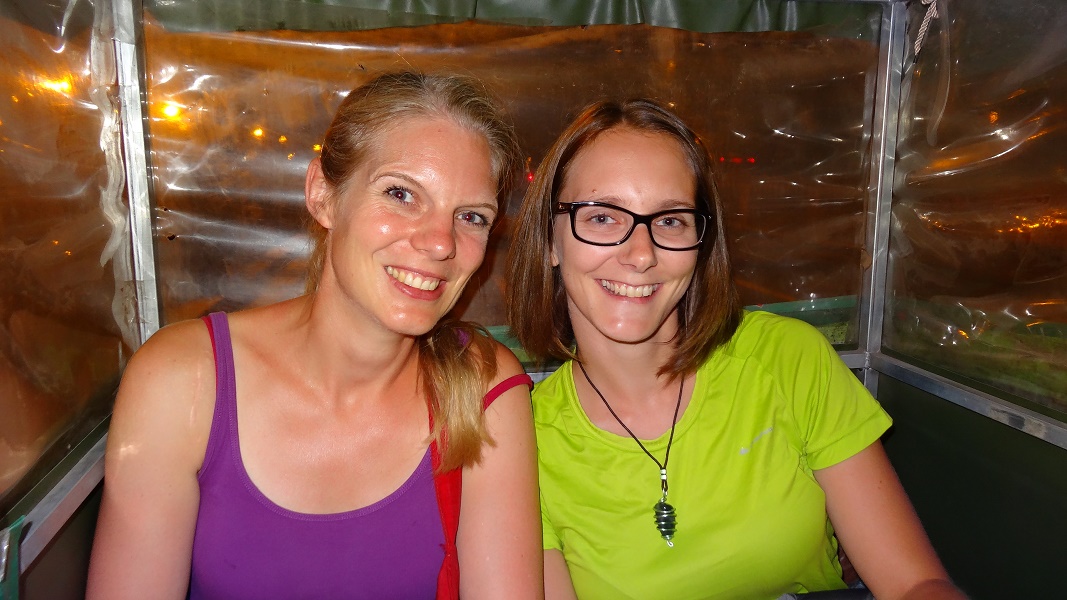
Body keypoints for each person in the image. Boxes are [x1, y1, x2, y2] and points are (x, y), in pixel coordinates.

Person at [87, 71, 542, 600]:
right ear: (323, 194)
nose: (441, 243)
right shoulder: (182, 379)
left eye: (471, 216)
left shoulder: (482, 387)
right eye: (401, 193)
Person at [505, 98, 967, 600]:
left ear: (701, 244)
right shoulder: (524, 443)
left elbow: (914, 583)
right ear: (550, 241)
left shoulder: (787, 359)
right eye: (601, 217)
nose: (641, 254)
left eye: (671, 221)